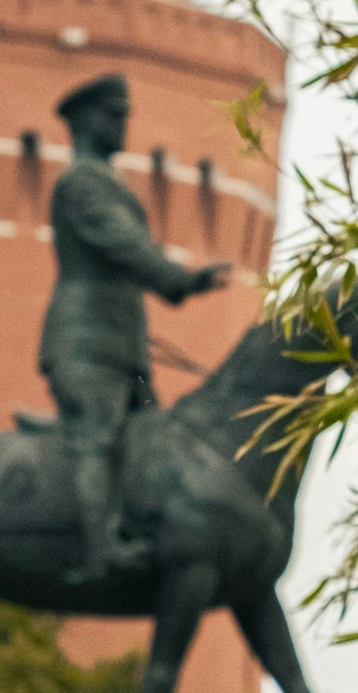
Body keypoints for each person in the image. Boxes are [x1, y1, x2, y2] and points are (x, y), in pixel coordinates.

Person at [40, 70, 231, 584]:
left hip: (123, 348)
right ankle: (101, 552)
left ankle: (147, 536)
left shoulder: (106, 182)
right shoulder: (82, 183)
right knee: (97, 437)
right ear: (86, 121)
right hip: (85, 342)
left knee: (152, 442)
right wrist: (181, 279)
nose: (124, 125)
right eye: (114, 116)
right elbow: (122, 243)